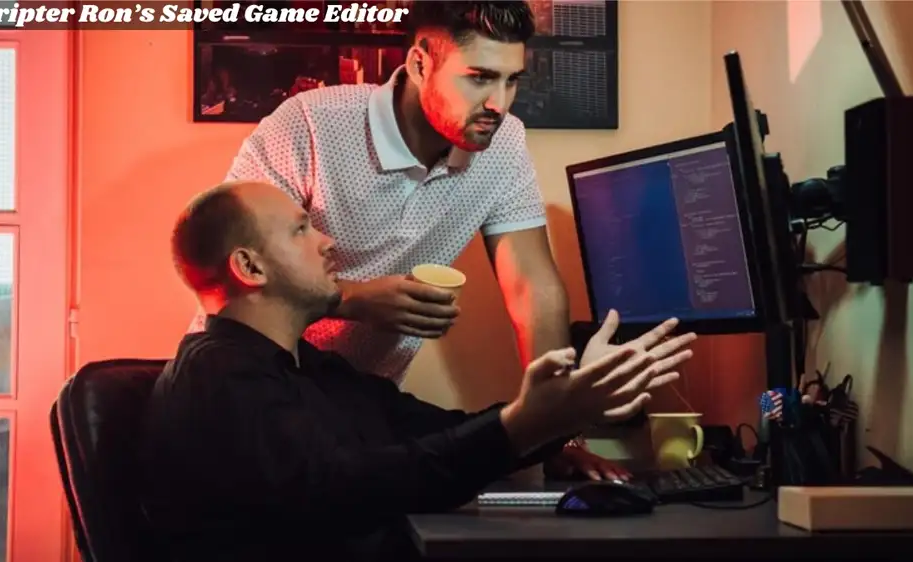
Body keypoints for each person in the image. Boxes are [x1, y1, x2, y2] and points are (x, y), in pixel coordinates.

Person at [198, 1, 668, 480]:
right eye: (480, 77)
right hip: (254, 394)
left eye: (512, 80)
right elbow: (227, 271)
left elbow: (533, 288)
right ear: (420, 63)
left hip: (360, 404)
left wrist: (552, 432)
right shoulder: (309, 125)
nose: (499, 104)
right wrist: (352, 300)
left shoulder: (503, 144)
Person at [141, 181, 696, 561]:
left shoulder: (308, 367)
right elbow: (347, 489)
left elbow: (432, 432)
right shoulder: (218, 377)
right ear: (249, 266)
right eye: (301, 230)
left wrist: (555, 419)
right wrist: (528, 424)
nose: (327, 242)